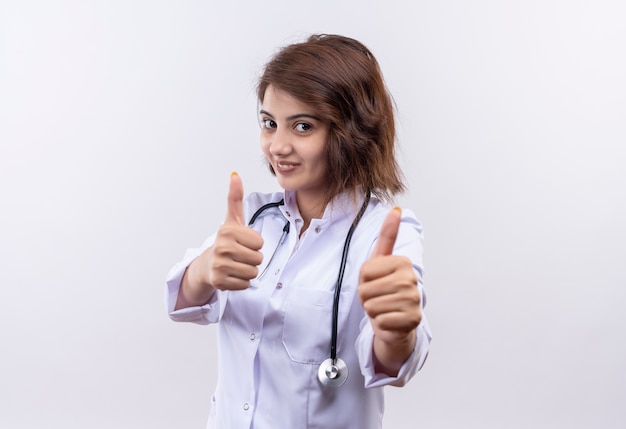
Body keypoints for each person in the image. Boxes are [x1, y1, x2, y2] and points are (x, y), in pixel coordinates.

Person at [165, 34, 431, 429]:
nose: (277, 146)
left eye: (302, 126)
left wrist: (396, 330)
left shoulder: (384, 234)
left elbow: (395, 362)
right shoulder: (255, 215)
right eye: (269, 123)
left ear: (351, 132)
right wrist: (205, 270)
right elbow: (182, 301)